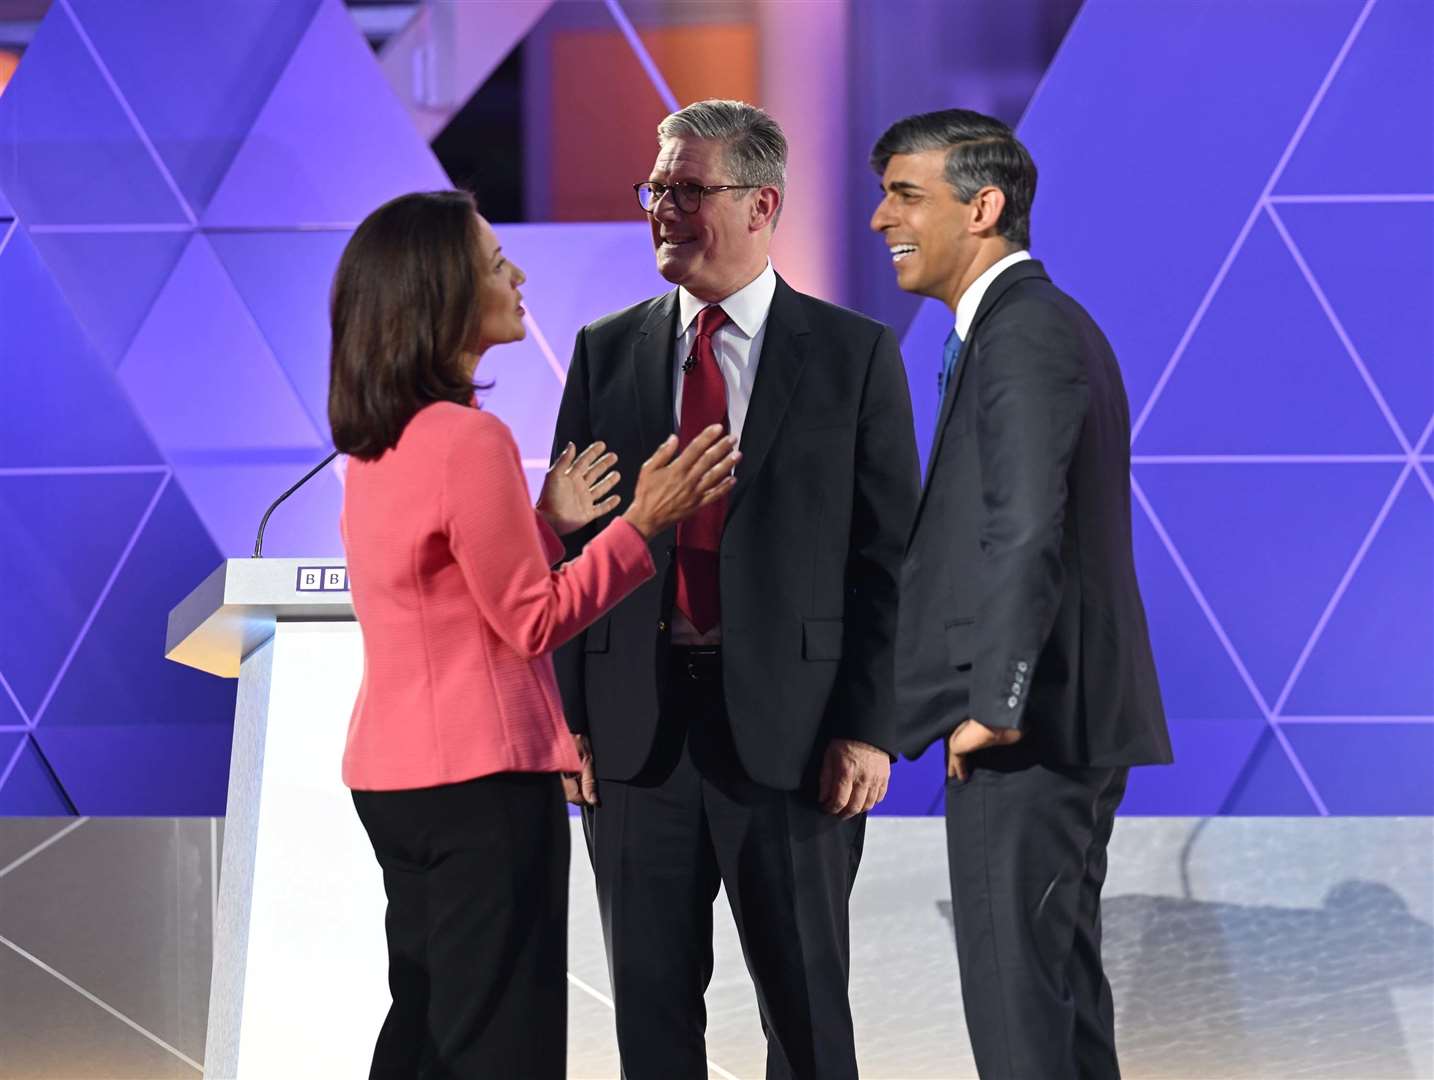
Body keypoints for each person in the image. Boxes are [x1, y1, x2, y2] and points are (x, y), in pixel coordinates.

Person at [328, 189, 739, 1079]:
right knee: (499, 1044)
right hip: (479, 783)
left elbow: (451, 594)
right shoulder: (468, 440)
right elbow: (531, 620)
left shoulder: (375, 446)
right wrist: (645, 522)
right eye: (491, 265)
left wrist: (543, 522)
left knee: (429, 1031)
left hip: (396, 780)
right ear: (440, 296)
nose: (516, 276)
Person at [550, 100, 920, 1079]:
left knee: (804, 1021)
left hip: (798, 742)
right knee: (652, 1026)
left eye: (687, 190)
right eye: (655, 189)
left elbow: (889, 563)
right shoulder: (606, 351)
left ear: (763, 204)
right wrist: (568, 717)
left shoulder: (854, 357)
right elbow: (573, 550)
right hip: (636, 741)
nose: (662, 209)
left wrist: (871, 726)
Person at [870, 108, 1173, 1079]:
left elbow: (1025, 526)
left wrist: (995, 706)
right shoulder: (1027, 326)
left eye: (906, 194)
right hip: (1048, 725)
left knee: (1021, 1027)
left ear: (984, 207)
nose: (881, 219)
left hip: (1030, 731)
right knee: (1054, 1010)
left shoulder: (1026, 333)